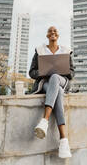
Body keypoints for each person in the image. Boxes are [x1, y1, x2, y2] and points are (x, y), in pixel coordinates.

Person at [29, 26, 74, 158]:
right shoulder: (39, 51)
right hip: (46, 83)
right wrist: (43, 71)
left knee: (55, 77)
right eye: (50, 31)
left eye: (55, 31)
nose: (53, 32)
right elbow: (32, 72)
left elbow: (72, 72)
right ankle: (64, 140)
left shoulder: (66, 51)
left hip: (61, 80)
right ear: (47, 35)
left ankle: (44, 120)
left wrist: (61, 70)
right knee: (58, 91)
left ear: (58, 35)